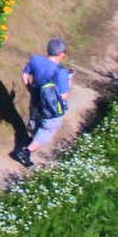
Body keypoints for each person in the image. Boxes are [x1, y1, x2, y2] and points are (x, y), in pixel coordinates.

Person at [13, 38, 72, 167]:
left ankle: (30, 139)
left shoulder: (35, 60)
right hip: (51, 107)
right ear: (61, 54)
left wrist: (29, 88)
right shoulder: (61, 72)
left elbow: (24, 75)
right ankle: (25, 151)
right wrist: (69, 80)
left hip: (35, 99)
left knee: (36, 121)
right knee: (47, 131)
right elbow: (64, 96)